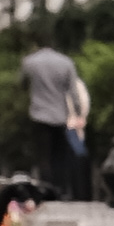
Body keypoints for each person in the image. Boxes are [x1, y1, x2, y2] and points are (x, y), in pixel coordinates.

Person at [21, 33, 88, 198]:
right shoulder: (66, 63)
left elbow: (22, 83)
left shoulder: (30, 62)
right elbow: (72, 91)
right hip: (59, 115)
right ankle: (60, 189)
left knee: (43, 155)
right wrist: (78, 113)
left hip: (38, 114)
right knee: (59, 156)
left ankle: (45, 189)